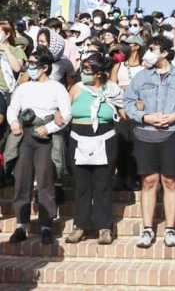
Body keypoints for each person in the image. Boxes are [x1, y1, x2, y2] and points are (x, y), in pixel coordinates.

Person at [124, 36, 175, 248]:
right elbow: (128, 102)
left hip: (172, 133)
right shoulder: (141, 77)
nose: (148, 52)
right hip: (145, 133)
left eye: (153, 49)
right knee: (149, 181)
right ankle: (147, 229)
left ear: (165, 53)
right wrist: (144, 117)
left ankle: (170, 229)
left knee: (169, 181)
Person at [6, 47, 71, 245]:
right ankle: (21, 225)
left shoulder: (57, 87)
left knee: (45, 181)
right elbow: (12, 108)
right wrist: (14, 122)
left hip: (46, 137)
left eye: (34, 64)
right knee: (22, 181)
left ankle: (46, 226)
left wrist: (49, 128)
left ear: (44, 67)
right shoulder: (23, 87)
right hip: (25, 135)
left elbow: (66, 114)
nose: (30, 68)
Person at [65, 53, 123, 245]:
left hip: (105, 138)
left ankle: (104, 227)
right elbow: (64, 112)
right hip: (78, 137)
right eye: (84, 67)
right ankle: (80, 225)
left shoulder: (112, 89)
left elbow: (125, 112)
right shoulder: (76, 88)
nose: (84, 72)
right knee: (82, 185)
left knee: (103, 184)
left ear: (99, 73)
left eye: (88, 69)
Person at [111, 35, 146, 190]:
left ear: (137, 47)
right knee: (120, 143)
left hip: (138, 110)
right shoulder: (119, 66)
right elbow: (112, 87)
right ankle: (121, 176)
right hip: (120, 109)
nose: (124, 47)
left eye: (128, 44)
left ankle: (133, 177)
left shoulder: (144, 67)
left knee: (135, 145)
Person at [0, 21, 26, 101]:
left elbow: (17, 68)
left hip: (7, 93)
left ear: (7, 34)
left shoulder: (16, 51)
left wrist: (6, 50)